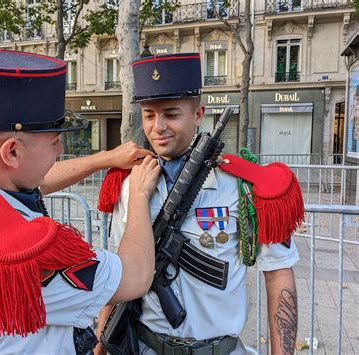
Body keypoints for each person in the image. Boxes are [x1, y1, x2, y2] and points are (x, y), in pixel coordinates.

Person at [0, 48, 161, 354]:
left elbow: (33, 183)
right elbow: (134, 277)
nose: (60, 149)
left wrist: (104, 159)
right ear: (12, 152)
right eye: (54, 141)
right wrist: (139, 195)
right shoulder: (23, 250)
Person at [96, 53, 301, 354]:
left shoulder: (242, 186)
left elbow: (279, 273)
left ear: (198, 114)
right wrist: (101, 342)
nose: (158, 127)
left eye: (171, 114)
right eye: (149, 115)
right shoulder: (129, 184)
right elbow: (118, 271)